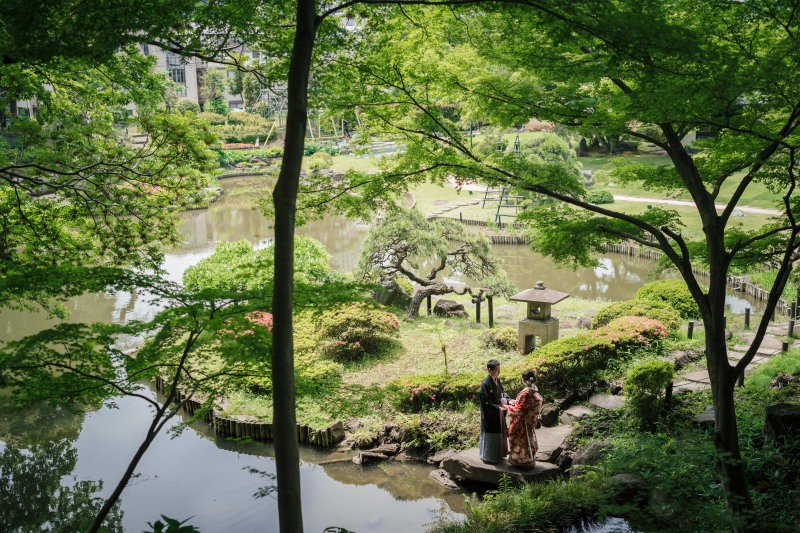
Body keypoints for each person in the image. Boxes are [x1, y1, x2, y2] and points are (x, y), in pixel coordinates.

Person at [505, 369, 543, 469]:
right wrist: (513, 402)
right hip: (530, 421)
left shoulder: (526, 393)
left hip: (523, 422)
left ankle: (522, 461)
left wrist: (507, 407)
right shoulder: (534, 390)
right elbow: (524, 405)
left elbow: (520, 410)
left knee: (520, 440)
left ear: (524, 380)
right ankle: (530, 459)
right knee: (529, 439)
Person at [479, 359, 509, 463]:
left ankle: (499, 455)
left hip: (499, 412)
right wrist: (497, 407)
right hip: (490, 414)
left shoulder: (498, 380)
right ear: (489, 369)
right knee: (492, 433)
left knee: (500, 432)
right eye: (496, 370)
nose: (498, 372)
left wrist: (506, 400)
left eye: (499, 369)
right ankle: (489, 456)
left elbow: (503, 393)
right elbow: (486, 402)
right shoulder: (485, 384)